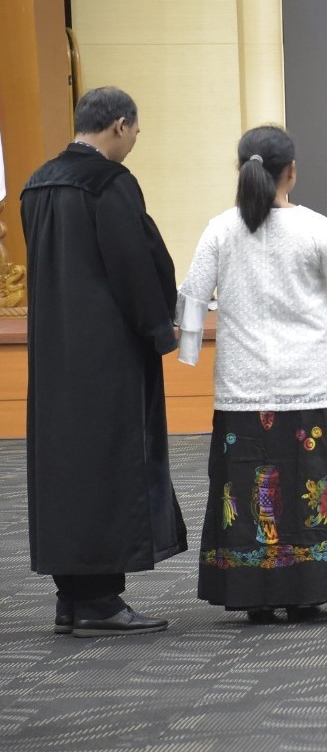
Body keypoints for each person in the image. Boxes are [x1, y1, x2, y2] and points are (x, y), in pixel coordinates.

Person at [176, 126, 327, 623]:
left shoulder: (221, 228)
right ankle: (308, 588)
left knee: (246, 486)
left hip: (243, 388)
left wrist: (187, 350)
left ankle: (254, 592)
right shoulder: (313, 226)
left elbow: (192, 296)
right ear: (292, 171)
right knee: (309, 481)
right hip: (309, 381)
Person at [20, 86, 186, 636]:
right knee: (111, 467)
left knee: (65, 472)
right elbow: (133, 264)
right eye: (136, 130)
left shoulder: (35, 184)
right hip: (107, 356)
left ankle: (72, 595)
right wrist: (161, 330)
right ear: (118, 125)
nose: (137, 139)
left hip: (53, 357)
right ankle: (102, 602)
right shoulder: (109, 184)